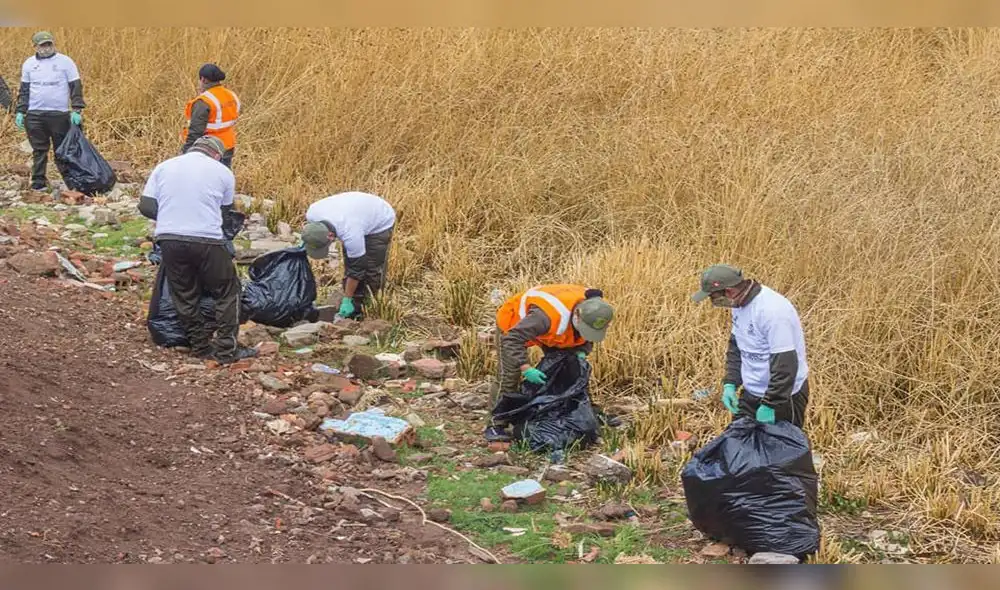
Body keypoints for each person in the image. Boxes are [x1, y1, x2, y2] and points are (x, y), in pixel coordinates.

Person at [137, 135, 257, 365]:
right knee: (227, 291)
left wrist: (172, 215)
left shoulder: (165, 166)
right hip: (207, 240)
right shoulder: (223, 172)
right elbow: (225, 213)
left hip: (169, 238)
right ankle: (226, 350)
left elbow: (146, 205)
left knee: (184, 294)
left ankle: (200, 346)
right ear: (216, 154)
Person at [484, 284, 615, 442]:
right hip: (513, 328)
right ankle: (495, 424)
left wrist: (582, 352)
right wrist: (526, 368)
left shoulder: (596, 311)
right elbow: (511, 340)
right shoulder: (545, 316)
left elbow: (587, 336)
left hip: (554, 332)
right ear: (577, 316)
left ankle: (586, 411)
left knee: (573, 370)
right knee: (509, 376)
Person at [691, 264, 810, 428]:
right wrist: (730, 383)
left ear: (729, 291)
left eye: (714, 298)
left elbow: (785, 365)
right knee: (739, 443)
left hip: (783, 397)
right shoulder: (738, 304)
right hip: (752, 392)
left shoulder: (773, 311)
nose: (714, 303)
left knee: (782, 449)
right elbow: (736, 346)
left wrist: (770, 404)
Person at [300, 191, 396, 320]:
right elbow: (310, 233)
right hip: (354, 212)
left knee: (371, 268)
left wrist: (347, 299)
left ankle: (368, 307)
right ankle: (354, 302)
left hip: (379, 218)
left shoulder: (351, 233)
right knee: (350, 260)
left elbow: (357, 268)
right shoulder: (312, 213)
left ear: (330, 236)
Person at [14, 31, 85, 191]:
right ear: (35, 47)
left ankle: (71, 182)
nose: (46, 48)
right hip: (35, 114)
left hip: (58, 114)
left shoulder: (65, 62)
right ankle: (38, 181)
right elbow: (24, 90)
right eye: (42, 45)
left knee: (63, 150)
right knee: (39, 150)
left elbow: (75, 87)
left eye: (49, 44)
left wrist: (77, 109)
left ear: (53, 44)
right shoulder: (29, 64)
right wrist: (21, 111)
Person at [180, 63, 240, 169]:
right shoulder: (231, 95)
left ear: (203, 79)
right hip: (228, 145)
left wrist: (186, 153)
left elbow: (195, 131)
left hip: (208, 147)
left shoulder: (203, 102)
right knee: (222, 176)